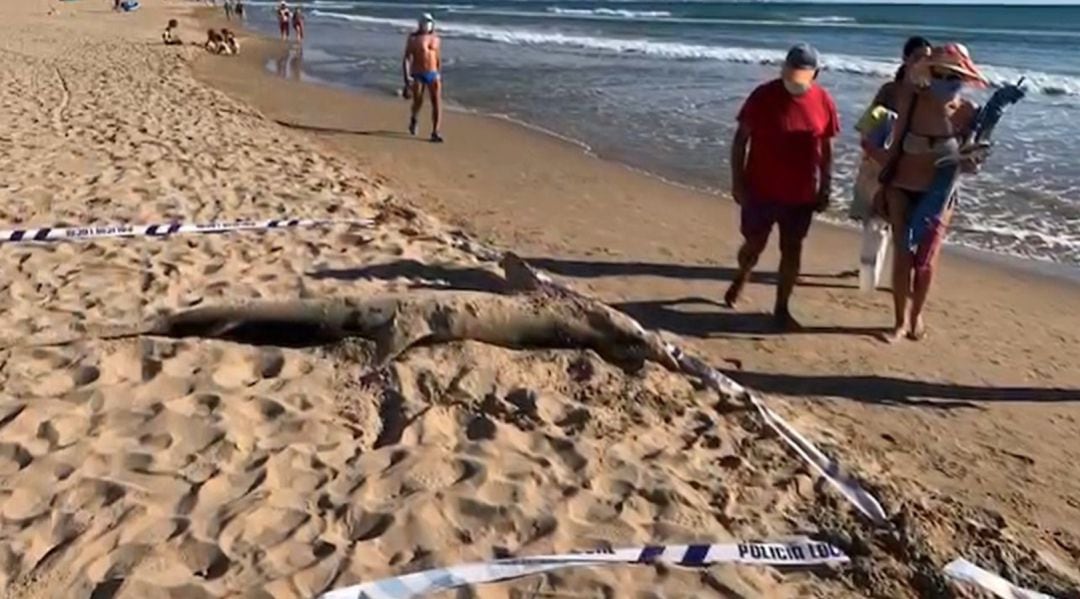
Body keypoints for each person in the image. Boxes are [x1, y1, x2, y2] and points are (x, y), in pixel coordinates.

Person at [724, 43, 839, 330]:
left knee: (792, 249)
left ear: (816, 74)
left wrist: (826, 185)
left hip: (800, 194)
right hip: (760, 189)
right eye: (790, 73)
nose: (794, 81)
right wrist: (737, 181)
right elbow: (740, 140)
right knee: (754, 245)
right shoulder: (763, 96)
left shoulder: (823, 100)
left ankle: (781, 308)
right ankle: (743, 272)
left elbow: (826, 147)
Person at [875, 43, 986, 341]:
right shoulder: (907, 99)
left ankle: (916, 316)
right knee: (902, 255)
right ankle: (899, 322)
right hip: (902, 186)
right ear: (929, 72)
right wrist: (880, 185)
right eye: (941, 74)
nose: (947, 81)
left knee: (925, 262)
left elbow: (973, 164)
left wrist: (972, 157)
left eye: (955, 76)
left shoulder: (969, 113)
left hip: (940, 194)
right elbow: (883, 143)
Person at [851, 36, 932, 292]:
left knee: (907, 224)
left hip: (912, 167)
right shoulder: (890, 90)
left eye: (927, 57)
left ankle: (897, 277)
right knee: (875, 220)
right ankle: (868, 275)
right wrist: (872, 150)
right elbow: (868, 124)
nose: (923, 62)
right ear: (906, 59)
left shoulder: (930, 93)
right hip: (881, 162)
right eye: (918, 56)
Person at [402, 13, 443, 143]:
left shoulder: (436, 38)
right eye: (424, 22)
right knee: (418, 101)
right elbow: (407, 58)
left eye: (429, 21)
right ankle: (414, 118)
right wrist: (406, 78)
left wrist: (438, 72)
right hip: (418, 73)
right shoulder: (414, 38)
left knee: (436, 102)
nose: (426, 24)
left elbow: (437, 56)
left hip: (433, 73)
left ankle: (435, 131)